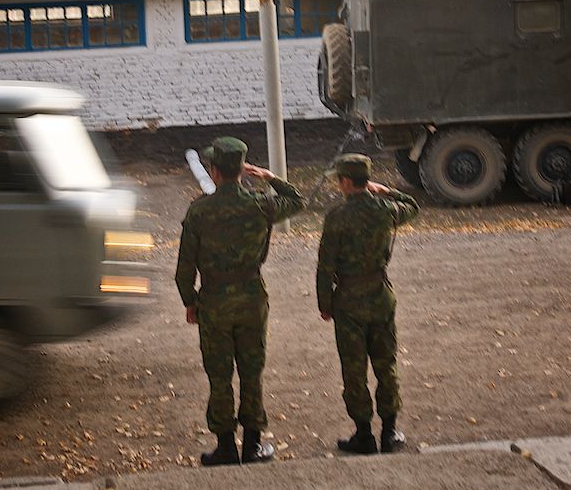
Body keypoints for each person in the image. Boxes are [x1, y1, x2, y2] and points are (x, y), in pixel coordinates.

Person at [176, 136, 306, 466]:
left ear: (214, 171)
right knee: (251, 372)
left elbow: (184, 269)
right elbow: (297, 200)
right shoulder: (261, 205)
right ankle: (252, 445)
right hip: (251, 298)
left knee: (219, 375)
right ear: (242, 171)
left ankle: (224, 447)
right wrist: (268, 176)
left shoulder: (199, 211)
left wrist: (190, 301)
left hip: (214, 302)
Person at [316, 153, 419, 454]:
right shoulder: (385, 210)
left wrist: (325, 303)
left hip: (348, 301)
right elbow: (412, 207)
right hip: (380, 296)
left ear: (347, 182)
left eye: (339, 180)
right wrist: (386, 191)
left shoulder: (336, 217)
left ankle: (363, 434)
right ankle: (389, 432)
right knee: (386, 364)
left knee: (354, 368)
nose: (337, 185)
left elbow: (325, 265)